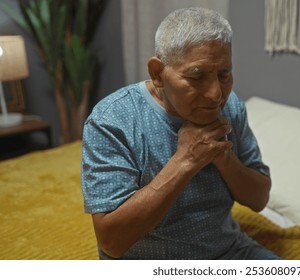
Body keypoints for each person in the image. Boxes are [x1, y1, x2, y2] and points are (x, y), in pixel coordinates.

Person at [81, 7, 281, 260]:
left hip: (228, 252)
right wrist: (186, 160)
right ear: (158, 74)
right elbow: (112, 242)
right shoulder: (112, 119)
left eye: (224, 75)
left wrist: (222, 156)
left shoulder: (231, 108)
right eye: (196, 76)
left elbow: (259, 198)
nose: (216, 94)